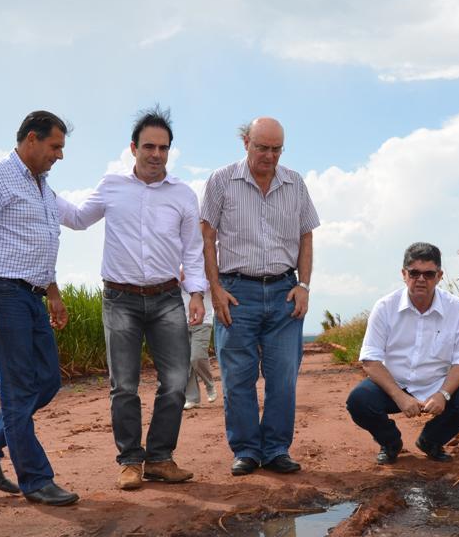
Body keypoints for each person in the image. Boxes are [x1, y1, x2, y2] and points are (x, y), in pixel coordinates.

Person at [57, 107, 206, 491]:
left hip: (167, 298)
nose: (156, 154)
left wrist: (197, 294)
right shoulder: (112, 186)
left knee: (174, 381)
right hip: (120, 299)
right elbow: (77, 218)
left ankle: (159, 458)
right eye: (149, 146)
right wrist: (41, 189)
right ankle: (129, 462)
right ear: (133, 148)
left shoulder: (184, 195)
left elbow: (192, 251)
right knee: (123, 385)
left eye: (164, 148)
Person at [0, 110, 79, 506]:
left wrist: (54, 291)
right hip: (2, 294)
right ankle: (36, 480)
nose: (59, 155)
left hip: (32, 295)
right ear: (31, 139)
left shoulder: (44, 189)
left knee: (47, 382)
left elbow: (41, 245)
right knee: (18, 388)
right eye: (55, 146)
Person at [201, 117, 320, 476]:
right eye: (262, 147)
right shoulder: (221, 181)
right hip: (237, 291)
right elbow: (207, 238)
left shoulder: (295, 183)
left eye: (276, 149)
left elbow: (306, 238)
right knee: (238, 377)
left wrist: (304, 286)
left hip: (285, 292)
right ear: (246, 143)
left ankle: (277, 449)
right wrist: (215, 290)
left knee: (283, 376)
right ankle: (248, 449)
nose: (269, 155)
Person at [346, 242, 459, 465]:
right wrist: (399, 396)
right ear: (404, 274)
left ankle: (431, 440)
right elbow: (370, 360)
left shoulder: (457, 309)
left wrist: (443, 394)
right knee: (359, 401)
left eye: (428, 274)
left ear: (439, 276)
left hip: (437, 384)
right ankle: (390, 442)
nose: (421, 279)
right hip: (395, 384)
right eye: (414, 273)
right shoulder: (385, 307)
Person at [181, 282, 217, 410]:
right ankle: (192, 398)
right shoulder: (179, 267)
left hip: (203, 321)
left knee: (196, 357)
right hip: (182, 321)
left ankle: (209, 384)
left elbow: (212, 283)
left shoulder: (204, 270)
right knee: (186, 362)